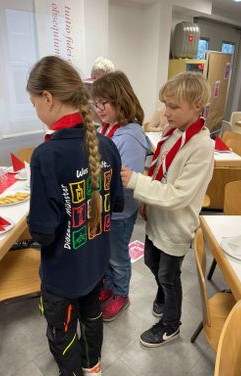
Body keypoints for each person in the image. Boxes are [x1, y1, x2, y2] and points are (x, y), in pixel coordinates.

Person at [26, 56, 124, 376]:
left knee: (62, 335)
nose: (35, 109)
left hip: (63, 277)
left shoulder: (46, 155)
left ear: (48, 98)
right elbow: (117, 205)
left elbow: (43, 232)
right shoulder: (107, 145)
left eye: (34, 102)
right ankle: (92, 368)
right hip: (96, 265)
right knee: (92, 319)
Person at [121, 72, 214, 347]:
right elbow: (160, 174)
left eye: (173, 106)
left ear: (197, 105)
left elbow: (179, 194)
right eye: (165, 104)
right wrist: (147, 201)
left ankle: (171, 325)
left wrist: (136, 182)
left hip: (176, 226)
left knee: (169, 277)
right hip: (158, 219)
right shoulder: (172, 134)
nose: (166, 112)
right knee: (152, 262)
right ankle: (163, 296)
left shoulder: (201, 147)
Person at [91, 71, 151, 321]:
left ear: (119, 99)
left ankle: (121, 294)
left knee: (117, 256)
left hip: (120, 211)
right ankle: (109, 287)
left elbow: (126, 180)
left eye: (103, 102)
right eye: (96, 104)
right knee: (106, 254)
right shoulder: (108, 130)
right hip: (105, 208)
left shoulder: (130, 136)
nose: (98, 109)